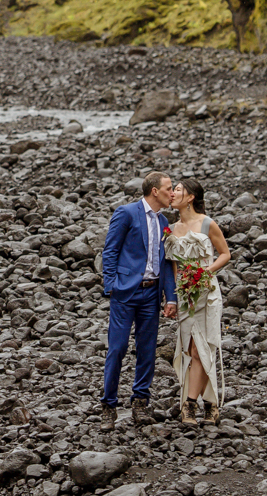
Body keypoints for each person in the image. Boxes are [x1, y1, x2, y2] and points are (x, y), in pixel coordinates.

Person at [98, 170, 178, 430]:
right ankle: (109, 406)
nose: (172, 193)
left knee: (147, 350)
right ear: (155, 191)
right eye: (168, 189)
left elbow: (166, 263)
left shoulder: (164, 221)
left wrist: (171, 297)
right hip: (125, 292)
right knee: (117, 348)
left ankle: (140, 402)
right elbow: (110, 250)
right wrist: (111, 286)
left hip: (151, 293)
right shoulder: (127, 213)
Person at [166, 176, 232, 425]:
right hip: (185, 294)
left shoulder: (207, 223)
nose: (172, 194)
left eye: (178, 190)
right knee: (190, 349)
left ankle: (189, 404)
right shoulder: (171, 229)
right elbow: (174, 268)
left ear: (191, 197)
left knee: (201, 347)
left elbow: (225, 254)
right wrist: (173, 297)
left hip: (207, 292)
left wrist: (205, 273)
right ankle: (211, 403)